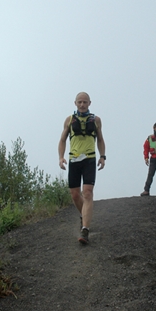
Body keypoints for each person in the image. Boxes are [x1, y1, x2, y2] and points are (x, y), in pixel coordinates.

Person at [58, 92, 106, 245]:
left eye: (85, 102)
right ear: (75, 103)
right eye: (79, 102)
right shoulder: (69, 120)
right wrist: (61, 157)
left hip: (90, 159)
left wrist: (102, 156)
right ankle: (84, 216)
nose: (82, 105)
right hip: (74, 159)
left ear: (89, 103)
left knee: (87, 192)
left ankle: (85, 229)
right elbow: (62, 140)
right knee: (74, 195)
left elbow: (100, 139)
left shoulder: (96, 120)